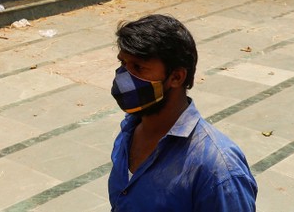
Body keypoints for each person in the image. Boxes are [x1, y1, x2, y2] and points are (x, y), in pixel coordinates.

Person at [109, 14, 257, 211]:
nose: (125, 78)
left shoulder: (217, 168)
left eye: (138, 67)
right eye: (123, 64)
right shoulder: (128, 131)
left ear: (176, 77)